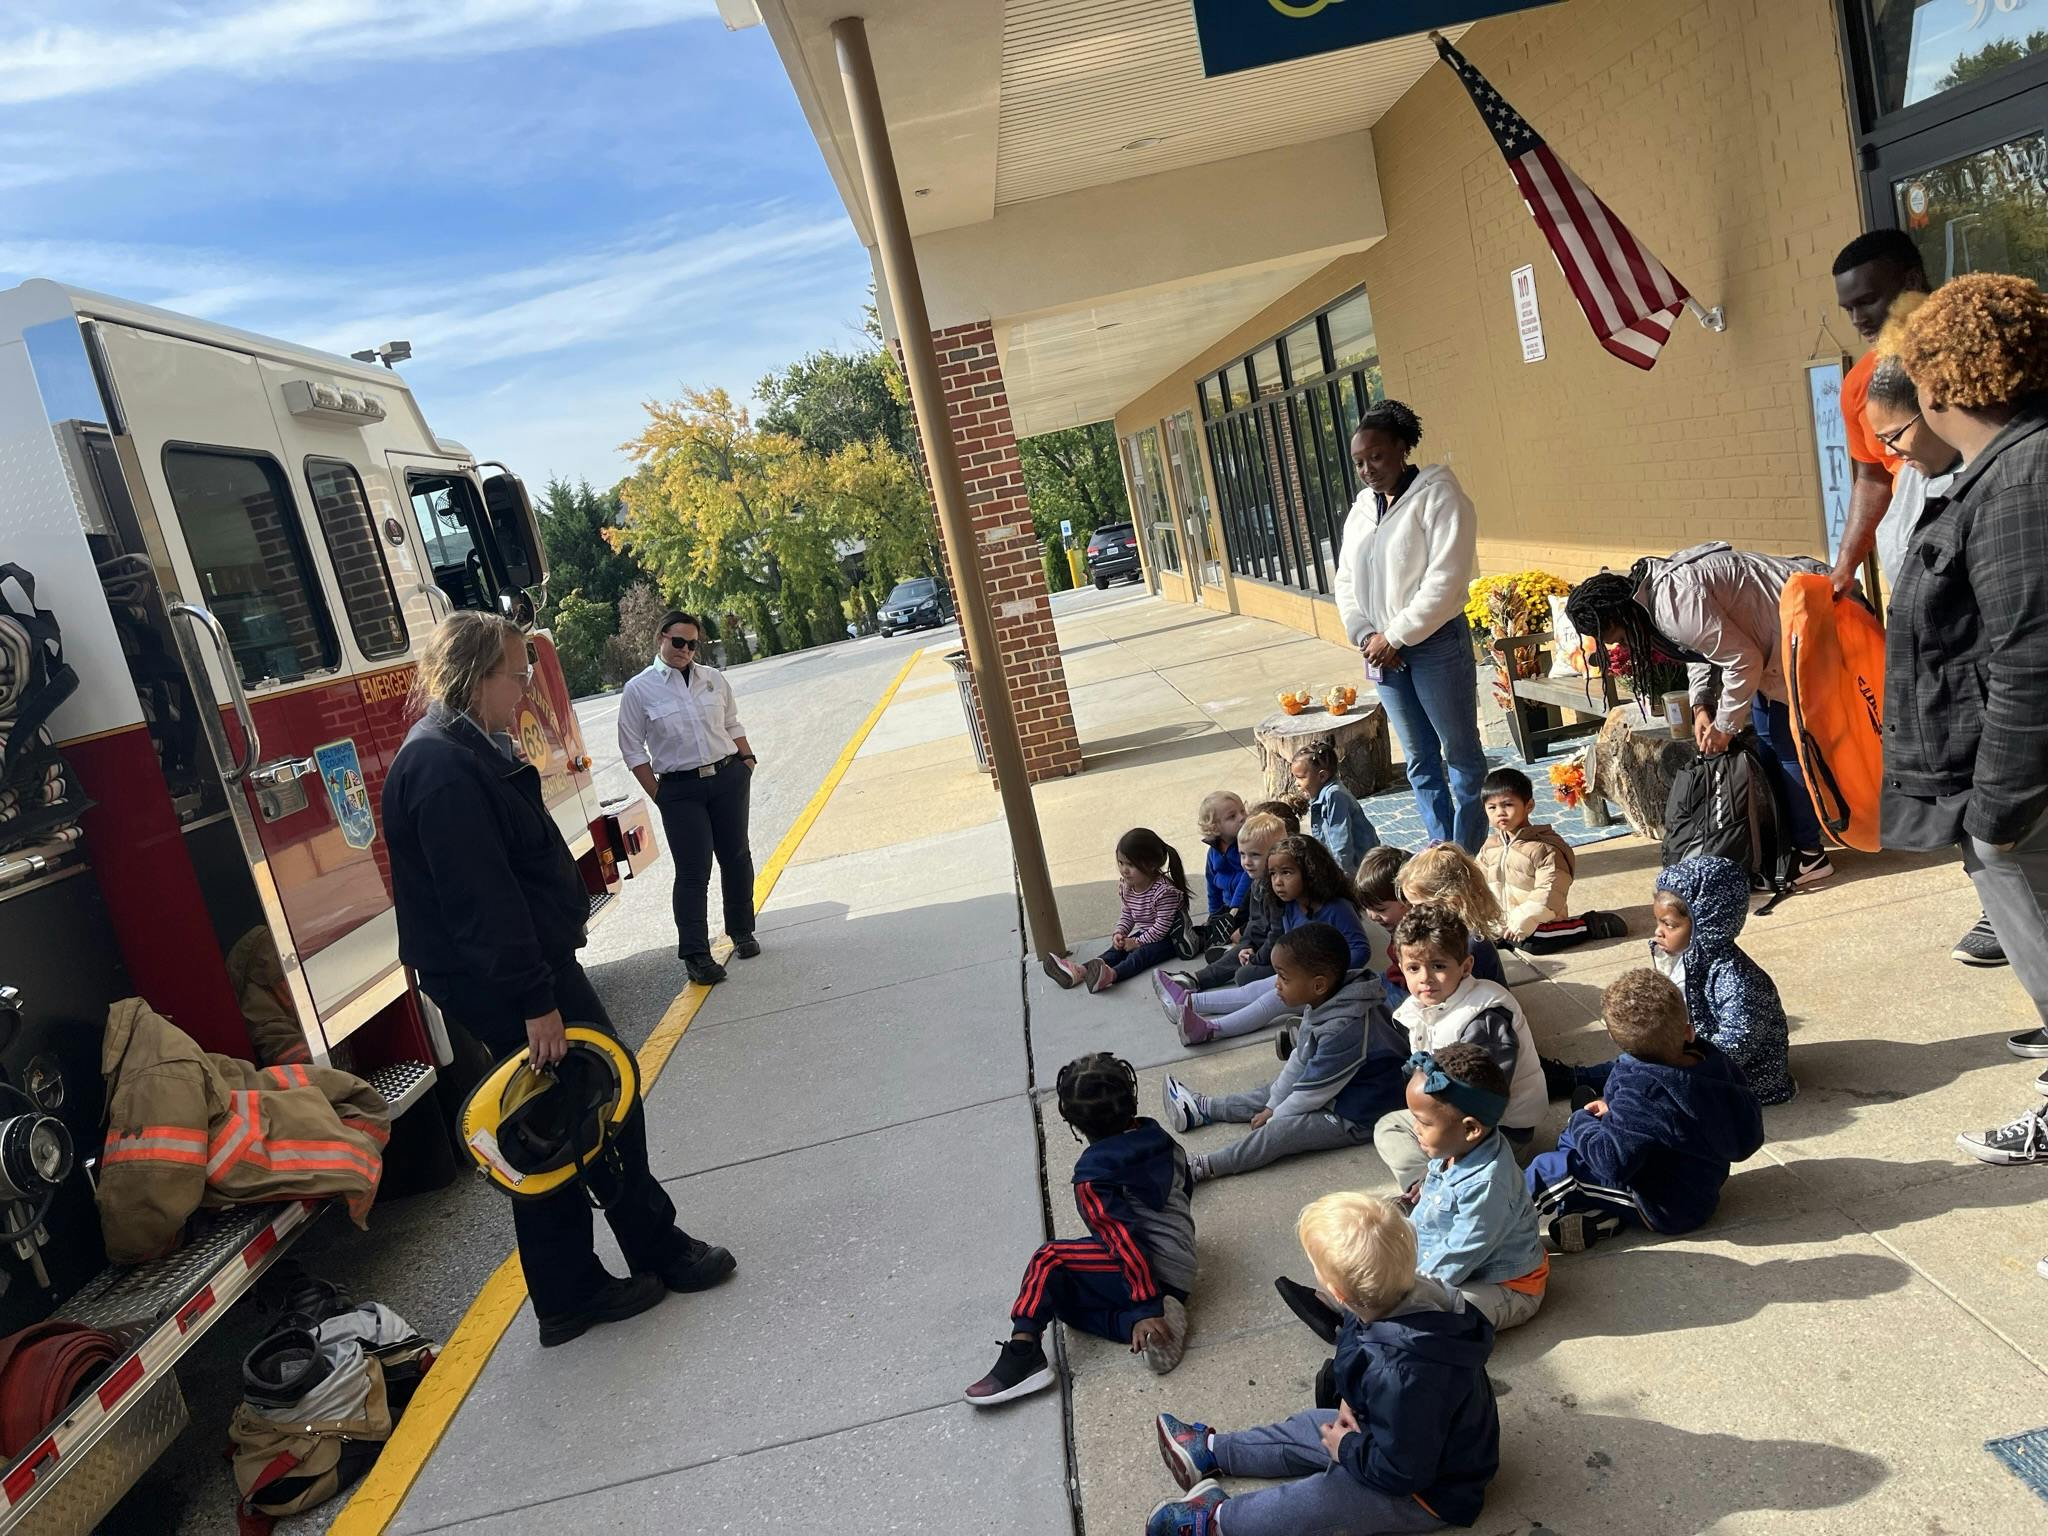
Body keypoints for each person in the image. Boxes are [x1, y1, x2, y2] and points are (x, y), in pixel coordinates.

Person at [385, 612, 734, 1348]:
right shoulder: (445, 768)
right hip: (509, 977)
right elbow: (485, 903)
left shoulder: (463, 747)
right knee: (595, 1101)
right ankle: (635, 1258)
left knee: (552, 1120)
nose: (526, 689)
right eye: (518, 674)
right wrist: (536, 1001)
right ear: (478, 676)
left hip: (514, 969)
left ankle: (571, 1289)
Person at [1878, 275, 2048, 1174]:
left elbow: (2032, 658)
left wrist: (1996, 816)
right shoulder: (2008, 468)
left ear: (1941, 386)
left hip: (2025, 803)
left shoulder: (2022, 478)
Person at [1147, 1191, 1498, 1536]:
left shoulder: (1404, 1375)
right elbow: (1356, 1346)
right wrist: (1351, 1399)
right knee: (1312, 1426)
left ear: (1337, 1293)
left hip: (1429, 1493)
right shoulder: (1398, 1296)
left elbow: (1404, 1471)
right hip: (1396, 1437)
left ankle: (1218, 1521)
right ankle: (1209, 1452)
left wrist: (1346, 1448)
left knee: (1320, 1498)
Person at [1861, 306, 2001, 970]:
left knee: (2004, 834)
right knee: (1979, 840)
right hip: (1944, 687)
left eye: (1894, 436)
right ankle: (2003, 915)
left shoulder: (1994, 483)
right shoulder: (1916, 478)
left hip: (1986, 688)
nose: (1892, 454)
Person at [1563, 545, 1835, 885]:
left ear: (1619, 616)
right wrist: (1701, 705)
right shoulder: (1653, 594)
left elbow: (1742, 660)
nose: (1621, 647)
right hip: (1777, 637)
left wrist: (1724, 727)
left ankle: (1811, 853)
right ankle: (1788, 842)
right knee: (1767, 743)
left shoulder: (1673, 605)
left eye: (1616, 638)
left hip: (1811, 626)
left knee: (1784, 745)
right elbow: (1699, 652)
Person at [965, 1053, 1193, 1406]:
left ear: (1073, 1122)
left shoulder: (1093, 1173)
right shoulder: (1156, 1135)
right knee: (1061, 1303)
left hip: (1153, 1272)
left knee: (1048, 1260)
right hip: (1182, 1259)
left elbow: (1123, 1239)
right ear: (1131, 1098)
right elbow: (1184, 1190)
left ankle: (1025, 1354)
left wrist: (1146, 1305)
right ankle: (1136, 1325)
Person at [1333, 400, 1488, 853]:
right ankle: (1440, 852)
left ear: (1402, 448)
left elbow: (1446, 580)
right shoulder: (1363, 509)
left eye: (1376, 457)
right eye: (1359, 462)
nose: (1367, 469)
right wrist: (1366, 635)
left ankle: (1467, 855)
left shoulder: (1441, 496)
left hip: (1436, 645)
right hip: (1381, 651)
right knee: (1420, 759)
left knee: (1460, 755)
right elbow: (1345, 580)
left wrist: (1394, 636)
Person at [1527, 969, 1764, 1252]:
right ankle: (1600, 1217)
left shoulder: (1642, 1090)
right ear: (1688, 1031)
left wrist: (1582, 1119)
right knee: (1572, 1142)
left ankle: (1498, 1226)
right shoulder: (1711, 1062)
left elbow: (1611, 1163)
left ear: (1617, 1043)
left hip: (1661, 1203)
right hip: (1700, 1189)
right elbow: (1745, 1138)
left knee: (1554, 1167)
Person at [1159, 923, 1407, 1182]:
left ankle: (1201, 1167)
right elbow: (1300, 1059)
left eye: (1284, 978)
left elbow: (1312, 1093)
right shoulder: (1330, 999)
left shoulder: (1345, 1026)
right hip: (1337, 1086)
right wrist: (1273, 1103)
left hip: (1359, 1113)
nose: (1276, 985)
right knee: (1275, 1090)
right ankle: (1202, 1109)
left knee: (1281, 1131)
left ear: (1318, 985)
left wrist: (1275, 1116)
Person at [617, 610, 758, 985]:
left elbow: (732, 722)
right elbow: (632, 749)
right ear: (661, 638)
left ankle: (742, 931)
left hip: (727, 776)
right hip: (680, 790)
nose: (685, 650)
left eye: (693, 644)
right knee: (694, 872)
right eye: (678, 642)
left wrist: (747, 760)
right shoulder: (639, 689)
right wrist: (659, 794)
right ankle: (696, 956)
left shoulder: (712, 679)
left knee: (737, 857)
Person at [1374, 907, 1545, 1195]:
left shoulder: (1485, 1014)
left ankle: (1444, 1187)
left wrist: (1445, 1144)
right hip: (1448, 1116)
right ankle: (1424, 1185)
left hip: (1496, 1129)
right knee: (1388, 1127)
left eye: (1438, 966)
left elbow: (1486, 1101)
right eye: (1414, 968)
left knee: (1463, 1166)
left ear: (1465, 967)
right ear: (1401, 968)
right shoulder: (1420, 1008)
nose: (1425, 978)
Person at [1164, 836, 1371, 1046]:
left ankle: (1210, 1030)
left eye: (1287, 873)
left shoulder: (1336, 908)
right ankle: (1188, 1001)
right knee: (1252, 990)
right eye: (1273, 874)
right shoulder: (1289, 905)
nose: (1277, 881)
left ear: (1311, 873)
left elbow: (1361, 949)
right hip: (1300, 977)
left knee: (1272, 1000)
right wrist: (1255, 953)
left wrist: (1328, 973)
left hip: (1327, 987)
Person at [1400, 1045, 1548, 1331]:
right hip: (1458, 1267)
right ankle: (1336, 1304)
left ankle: (1371, 1330)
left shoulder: (1488, 1184)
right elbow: (1426, 1222)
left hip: (1505, 1287)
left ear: (1471, 1129)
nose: (1415, 1128)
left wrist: (1406, 1287)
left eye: (1423, 1122)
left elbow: (1461, 1251)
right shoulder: (1455, 1150)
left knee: (1429, 1316)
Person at [1829, 229, 1930, 597]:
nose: (1858, 319)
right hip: (1915, 573)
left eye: (1868, 300)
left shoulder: (1977, 349)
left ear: (1912, 281)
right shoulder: (1859, 384)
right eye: (1848, 309)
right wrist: (1845, 566)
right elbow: (1872, 478)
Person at [1650, 856, 1794, 1105]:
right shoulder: (1685, 957)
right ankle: (1577, 1078)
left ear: (1706, 924)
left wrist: (1682, 1062)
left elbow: (1736, 1045)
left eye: (1670, 924)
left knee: (1654, 1094)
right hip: (1696, 1053)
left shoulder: (1740, 980)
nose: (1658, 931)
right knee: (1635, 1060)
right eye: (1658, 922)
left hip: (1744, 1080)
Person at [1476, 766, 1625, 952]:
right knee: (1475, 941)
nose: (1500, 812)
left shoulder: (1545, 848)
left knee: (1536, 942)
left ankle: (1588, 926)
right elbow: (1476, 882)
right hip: (1506, 921)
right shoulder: (1490, 846)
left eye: (1508, 805)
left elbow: (1549, 891)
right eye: (1492, 807)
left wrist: (1525, 918)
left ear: (1529, 806)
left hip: (1540, 919)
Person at [1160, 809, 1290, 1000]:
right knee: (1238, 956)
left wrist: (1255, 957)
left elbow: (1278, 935)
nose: (1246, 862)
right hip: (1263, 945)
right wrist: (1247, 945)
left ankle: (1207, 977)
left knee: (1244, 976)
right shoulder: (1258, 884)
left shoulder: (1279, 890)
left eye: (1254, 855)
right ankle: (1194, 980)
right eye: (1242, 855)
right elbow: (1255, 923)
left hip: (1282, 952)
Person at [1051, 827, 1192, 992]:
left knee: (1139, 956)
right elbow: (1128, 914)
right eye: (1121, 862)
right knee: (1116, 951)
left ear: (1152, 864)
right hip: (1148, 934)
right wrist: (1120, 932)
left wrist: (1138, 942)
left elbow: (1162, 927)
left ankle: (1111, 975)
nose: (1124, 869)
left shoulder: (1163, 892)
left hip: (1170, 939)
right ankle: (1080, 971)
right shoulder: (1128, 886)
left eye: (1131, 864)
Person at [1292, 740, 1379, 879]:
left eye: (1301, 778)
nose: (1296, 783)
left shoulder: (1335, 796)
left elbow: (1341, 841)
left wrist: (1345, 877)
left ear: (1322, 776)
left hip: (1360, 867)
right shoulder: (1321, 793)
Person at [1196, 790, 1252, 946]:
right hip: (1226, 907)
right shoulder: (1213, 853)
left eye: (1242, 810)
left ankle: (1224, 946)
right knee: (1210, 928)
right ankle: (1197, 938)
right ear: (1215, 827)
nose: (1242, 817)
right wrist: (1213, 914)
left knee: (1240, 929)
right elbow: (1212, 885)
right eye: (1232, 816)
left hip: (1245, 906)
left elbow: (1248, 876)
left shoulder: (1247, 845)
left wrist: (1235, 908)